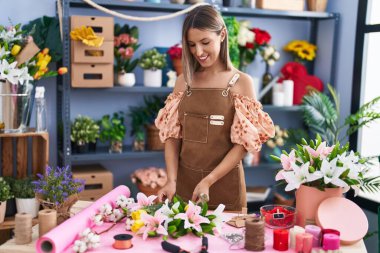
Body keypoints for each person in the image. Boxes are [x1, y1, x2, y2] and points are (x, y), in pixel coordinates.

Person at [155, 5, 275, 211]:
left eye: (205, 42)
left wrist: (209, 181)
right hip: (184, 189)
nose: (198, 52)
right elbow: (172, 137)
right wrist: (171, 180)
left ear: (222, 35)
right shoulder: (184, 82)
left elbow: (243, 145)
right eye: (192, 45)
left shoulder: (241, 82)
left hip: (225, 189)